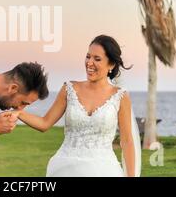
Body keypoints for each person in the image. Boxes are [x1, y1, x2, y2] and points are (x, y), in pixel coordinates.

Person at [11, 35, 141, 177]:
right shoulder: (69, 89)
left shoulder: (120, 97)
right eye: (88, 56)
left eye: (97, 59)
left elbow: (127, 141)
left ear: (111, 65)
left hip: (105, 170)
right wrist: (19, 113)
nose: (89, 63)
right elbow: (44, 123)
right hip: (65, 169)